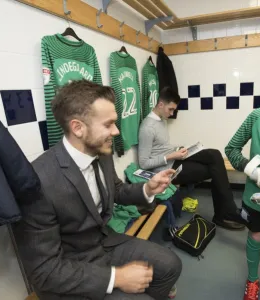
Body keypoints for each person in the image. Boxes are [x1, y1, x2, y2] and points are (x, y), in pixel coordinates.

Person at [12, 80, 182, 300]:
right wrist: (116, 278)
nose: (116, 131)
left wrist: (148, 189)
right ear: (78, 128)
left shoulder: (101, 153)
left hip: (103, 244)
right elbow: (44, 271)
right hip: (69, 265)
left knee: (171, 265)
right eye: (108, 124)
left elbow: (116, 190)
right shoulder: (37, 182)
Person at [138, 87, 245, 231]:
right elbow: (144, 163)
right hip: (167, 170)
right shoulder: (147, 127)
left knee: (214, 154)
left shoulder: (161, 120)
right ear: (160, 104)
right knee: (214, 170)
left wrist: (180, 148)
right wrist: (171, 155)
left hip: (174, 157)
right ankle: (225, 213)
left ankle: (226, 212)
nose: (172, 113)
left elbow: (162, 147)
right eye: (170, 109)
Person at [225, 61, 260, 300]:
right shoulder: (257, 116)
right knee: (256, 236)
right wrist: (254, 172)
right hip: (255, 197)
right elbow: (231, 149)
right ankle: (253, 281)